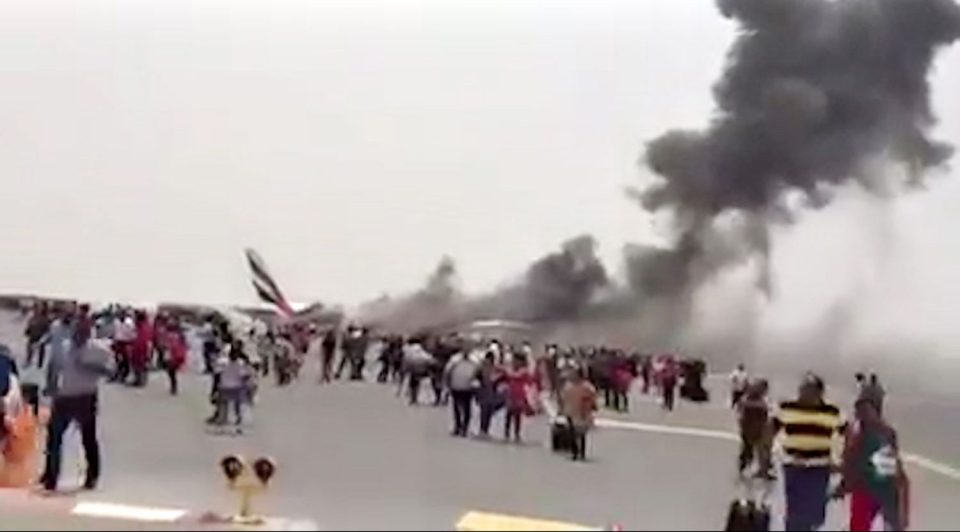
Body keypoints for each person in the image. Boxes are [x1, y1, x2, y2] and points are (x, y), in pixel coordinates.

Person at [41, 322, 115, 492]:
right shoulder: (66, 347)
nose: (78, 336)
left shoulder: (98, 349)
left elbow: (112, 370)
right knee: (54, 437)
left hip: (85, 397)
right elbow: (54, 365)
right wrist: (51, 385)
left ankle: (92, 476)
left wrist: (91, 367)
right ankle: (51, 478)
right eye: (76, 332)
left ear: (89, 333)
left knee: (88, 438)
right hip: (64, 397)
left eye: (82, 333)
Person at [772, 374, 845, 532]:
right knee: (795, 512)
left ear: (820, 393)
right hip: (794, 466)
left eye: (808, 390)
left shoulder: (832, 412)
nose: (803, 393)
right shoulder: (787, 408)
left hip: (819, 468)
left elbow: (850, 434)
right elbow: (770, 430)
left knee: (815, 514)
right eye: (802, 389)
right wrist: (765, 455)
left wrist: (844, 462)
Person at [838, 398, 910, 532]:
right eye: (859, 413)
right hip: (876, 489)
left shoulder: (871, 434)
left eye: (865, 412)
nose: (862, 416)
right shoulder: (878, 432)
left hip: (873, 489)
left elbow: (850, 461)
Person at [737, 379, 773, 479]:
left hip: (756, 428)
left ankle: (762, 469)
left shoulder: (752, 401)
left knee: (759, 450)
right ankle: (749, 468)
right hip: (752, 428)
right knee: (751, 449)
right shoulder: (753, 401)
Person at [560, 368, 597, 461]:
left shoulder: (586, 387)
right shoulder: (569, 386)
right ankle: (575, 452)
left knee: (581, 433)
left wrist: (591, 405)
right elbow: (563, 397)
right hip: (571, 411)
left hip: (581, 411)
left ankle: (581, 452)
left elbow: (592, 397)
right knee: (572, 432)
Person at [213, 344, 252, 428]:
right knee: (239, 401)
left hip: (224, 387)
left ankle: (221, 418)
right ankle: (238, 417)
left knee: (223, 402)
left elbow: (216, 374)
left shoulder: (222, 362)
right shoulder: (241, 363)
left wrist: (215, 388)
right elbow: (245, 376)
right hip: (237, 389)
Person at [444, 348, 480, 437]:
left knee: (467, 408)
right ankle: (458, 426)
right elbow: (447, 372)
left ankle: (464, 428)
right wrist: (447, 385)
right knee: (457, 408)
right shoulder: (455, 360)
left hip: (468, 387)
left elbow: (478, 372)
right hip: (456, 386)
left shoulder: (475, 360)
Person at [503, 354, 536, 443]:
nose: (515, 362)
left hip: (519, 395)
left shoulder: (524, 372)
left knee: (517, 415)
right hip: (510, 394)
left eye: (517, 361)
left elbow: (530, 382)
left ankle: (516, 433)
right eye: (514, 360)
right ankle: (506, 433)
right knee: (509, 414)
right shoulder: (509, 371)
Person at [475, 352, 505, 439]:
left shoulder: (495, 368)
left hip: (491, 392)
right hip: (484, 392)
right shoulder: (481, 368)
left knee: (488, 412)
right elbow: (476, 378)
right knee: (484, 411)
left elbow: (501, 377)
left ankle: (485, 430)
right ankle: (482, 430)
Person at [164, 326, 187, 396]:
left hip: (173, 356)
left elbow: (169, 346)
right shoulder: (178, 336)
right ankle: (173, 387)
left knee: (171, 372)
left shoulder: (171, 337)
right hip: (176, 356)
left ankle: (173, 387)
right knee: (172, 372)